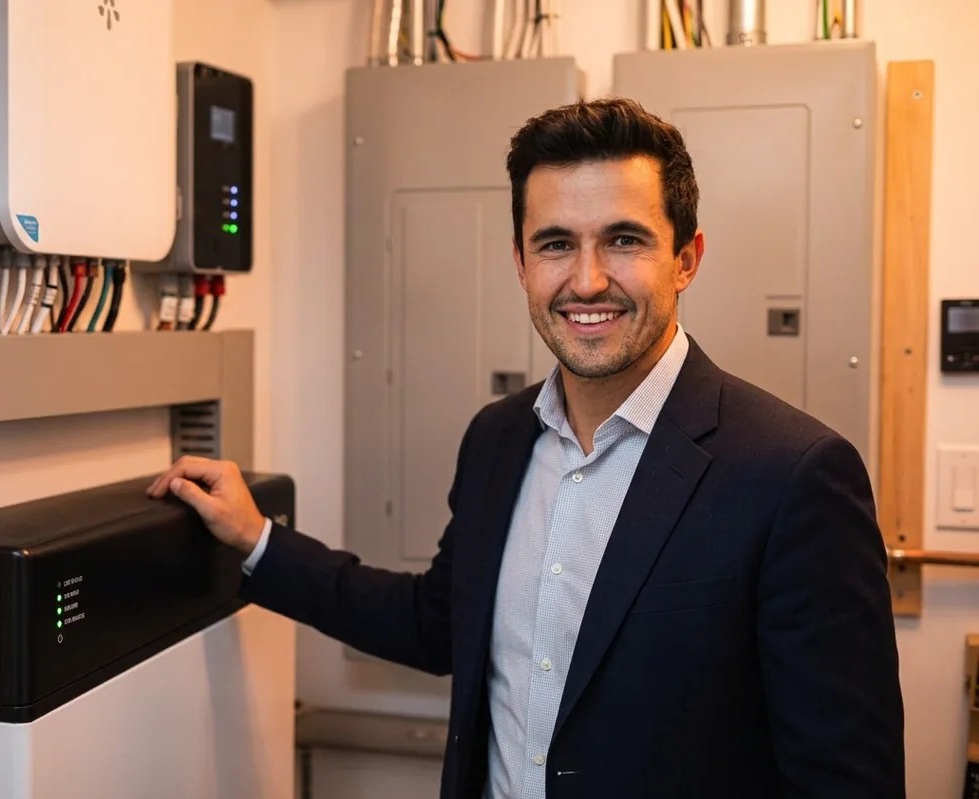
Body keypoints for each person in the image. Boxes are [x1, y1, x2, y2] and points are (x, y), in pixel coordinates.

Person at [148, 97, 904, 798]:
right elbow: (437, 621)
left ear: (686, 257)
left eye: (624, 239)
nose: (587, 279)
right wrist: (257, 542)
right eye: (555, 244)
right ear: (519, 263)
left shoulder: (791, 475)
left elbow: (844, 781)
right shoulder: (499, 439)